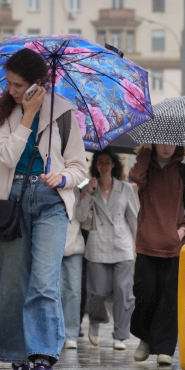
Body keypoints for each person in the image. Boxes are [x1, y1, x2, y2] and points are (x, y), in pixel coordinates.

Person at [0, 48, 88, 370]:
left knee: (44, 282)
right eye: (10, 83)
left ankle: (42, 358)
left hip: (50, 203)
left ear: (37, 83)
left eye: (19, 85)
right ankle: (19, 362)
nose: (12, 90)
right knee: (13, 285)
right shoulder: (0, 113)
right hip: (12, 202)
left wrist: (62, 178)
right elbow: (6, 157)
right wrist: (27, 116)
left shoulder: (62, 112)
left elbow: (79, 166)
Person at [128, 143, 185, 366]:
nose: (167, 147)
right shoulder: (145, 168)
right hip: (147, 244)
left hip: (175, 246)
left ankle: (165, 349)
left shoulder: (183, 171)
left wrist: (183, 230)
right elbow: (135, 177)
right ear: (153, 143)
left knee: (169, 299)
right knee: (145, 293)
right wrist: (145, 153)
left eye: (171, 142)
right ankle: (146, 339)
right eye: (161, 142)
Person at [79, 148, 138, 351]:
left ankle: (120, 335)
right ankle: (95, 321)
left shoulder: (125, 188)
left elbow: (134, 218)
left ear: (114, 165)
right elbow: (79, 216)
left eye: (107, 162)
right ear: (96, 166)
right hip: (97, 244)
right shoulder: (88, 187)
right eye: (100, 162)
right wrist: (90, 194)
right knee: (96, 292)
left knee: (124, 291)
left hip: (122, 246)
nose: (104, 166)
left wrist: (138, 246)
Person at [60, 187, 85, 350]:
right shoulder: (51, 187)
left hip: (75, 247)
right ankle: (57, 332)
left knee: (74, 292)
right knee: (56, 291)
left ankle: (71, 334)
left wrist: (87, 196)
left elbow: (83, 218)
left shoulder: (79, 191)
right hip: (54, 246)